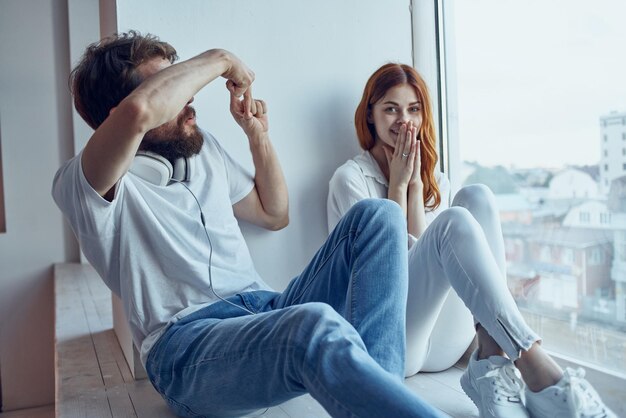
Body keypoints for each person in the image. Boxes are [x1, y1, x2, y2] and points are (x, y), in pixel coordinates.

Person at [52, 32, 448, 418]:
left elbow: (274, 214)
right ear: (114, 117)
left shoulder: (198, 150)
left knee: (380, 215)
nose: (189, 97)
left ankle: (382, 398)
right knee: (313, 324)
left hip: (265, 310)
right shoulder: (84, 184)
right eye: (169, 86)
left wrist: (256, 135)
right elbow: (138, 113)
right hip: (187, 350)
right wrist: (221, 58)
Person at [327, 63, 616, 418]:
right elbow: (389, 282)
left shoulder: (436, 180)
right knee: (453, 220)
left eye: (413, 109)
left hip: (445, 344)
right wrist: (399, 187)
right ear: (370, 115)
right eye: (391, 109)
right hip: (391, 346)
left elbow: (439, 268)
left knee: (476, 196)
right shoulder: (350, 180)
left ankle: (491, 369)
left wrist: (417, 184)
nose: (404, 121)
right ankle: (541, 373)